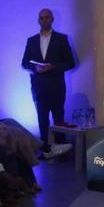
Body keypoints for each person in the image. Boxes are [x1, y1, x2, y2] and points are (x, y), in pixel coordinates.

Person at [21, 8, 76, 143]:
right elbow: (24, 63)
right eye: (42, 18)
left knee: (59, 119)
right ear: (38, 21)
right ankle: (46, 150)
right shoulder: (31, 40)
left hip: (56, 86)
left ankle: (61, 151)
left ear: (52, 19)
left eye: (47, 17)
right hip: (39, 87)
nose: (44, 20)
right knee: (42, 119)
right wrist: (35, 68)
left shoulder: (62, 39)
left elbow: (70, 63)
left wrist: (53, 67)